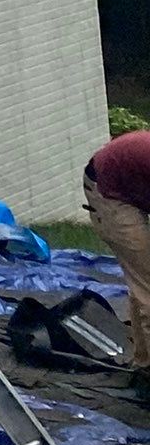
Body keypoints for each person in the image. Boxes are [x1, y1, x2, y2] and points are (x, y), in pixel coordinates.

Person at [85, 124, 150, 376]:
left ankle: (144, 362)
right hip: (108, 193)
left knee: (142, 278)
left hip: (128, 183)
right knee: (147, 282)